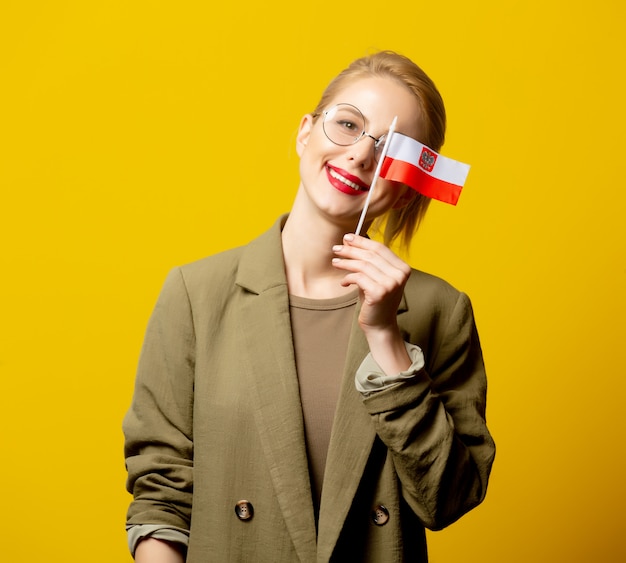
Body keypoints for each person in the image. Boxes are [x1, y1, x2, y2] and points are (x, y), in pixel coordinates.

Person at [123, 50, 496, 563]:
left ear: (407, 190)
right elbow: (161, 492)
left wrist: (387, 338)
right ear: (305, 133)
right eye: (347, 124)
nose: (361, 156)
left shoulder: (439, 311)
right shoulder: (195, 293)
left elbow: (448, 499)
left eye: (390, 150)